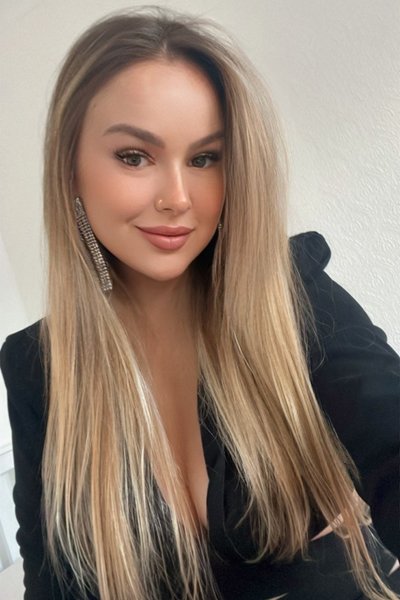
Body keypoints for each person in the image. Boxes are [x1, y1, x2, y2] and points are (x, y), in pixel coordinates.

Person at [0, 7, 399, 600]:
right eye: (134, 156)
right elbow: (52, 580)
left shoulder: (290, 294)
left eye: (205, 158)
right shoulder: (39, 365)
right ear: (70, 169)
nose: (178, 198)